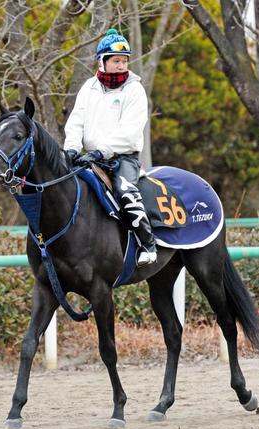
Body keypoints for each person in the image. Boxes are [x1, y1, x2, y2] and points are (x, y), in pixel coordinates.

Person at [64, 29, 157, 267]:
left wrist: (100, 152)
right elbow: (76, 121)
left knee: (126, 192)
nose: (121, 65)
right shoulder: (89, 87)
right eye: (116, 60)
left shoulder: (134, 89)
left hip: (123, 158)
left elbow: (129, 132)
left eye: (124, 61)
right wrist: (72, 148)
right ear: (102, 61)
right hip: (91, 159)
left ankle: (148, 244)